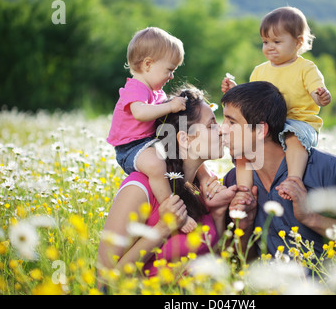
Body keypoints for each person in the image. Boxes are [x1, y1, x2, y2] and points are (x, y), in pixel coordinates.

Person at [98, 86, 237, 288]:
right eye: (211, 125)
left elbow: (213, 263)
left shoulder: (205, 185)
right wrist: (163, 228)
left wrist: (218, 213)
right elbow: (104, 281)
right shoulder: (140, 188)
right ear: (184, 139)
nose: (222, 130)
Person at [221, 81, 336, 258]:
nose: (222, 130)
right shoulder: (233, 181)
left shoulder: (329, 169)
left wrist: (311, 218)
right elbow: (243, 266)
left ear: (261, 130)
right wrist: (244, 228)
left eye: (231, 122)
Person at [221, 7, 331, 202]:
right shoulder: (259, 71)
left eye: (277, 41)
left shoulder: (306, 68)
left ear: (298, 43)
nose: (269, 46)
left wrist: (319, 97)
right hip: (269, 124)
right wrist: (235, 90)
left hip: (299, 122)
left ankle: (294, 179)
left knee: (292, 136)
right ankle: (245, 191)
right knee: (244, 147)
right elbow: (252, 99)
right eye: (265, 42)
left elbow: (316, 90)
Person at [107, 27, 198, 233]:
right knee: (157, 166)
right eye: (169, 70)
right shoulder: (136, 87)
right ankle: (172, 211)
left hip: (146, 142)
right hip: (130, 148)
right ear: (148, 64)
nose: (172, 76)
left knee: (179, 151)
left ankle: (197, 185)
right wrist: (170, 106)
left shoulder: (155, 91)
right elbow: (139, 112)